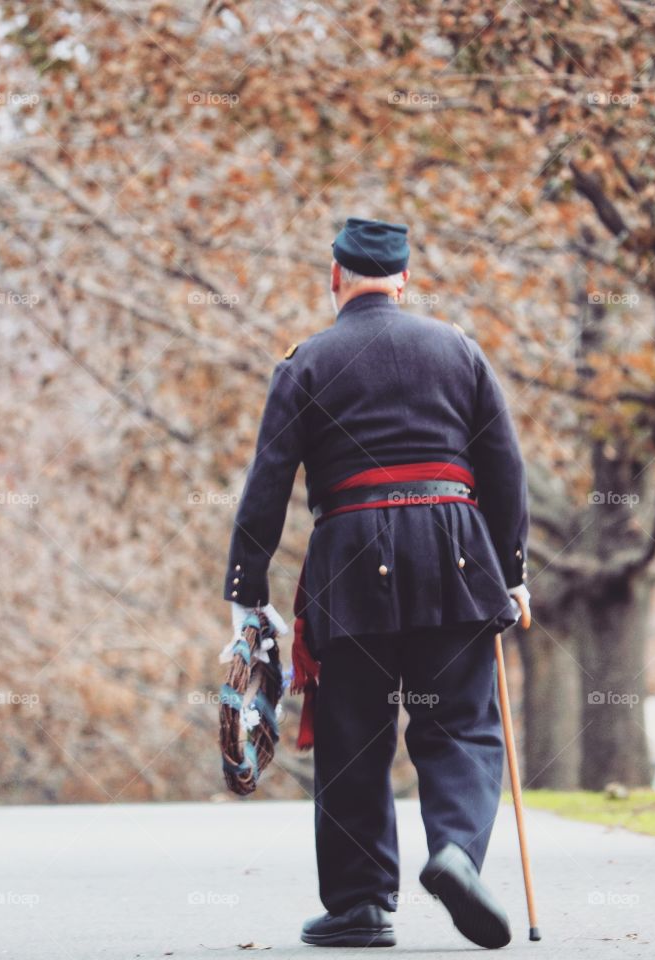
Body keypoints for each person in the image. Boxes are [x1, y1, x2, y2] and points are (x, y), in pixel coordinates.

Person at [223, 217, 530, 948]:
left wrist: (247, 593)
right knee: (460, 724)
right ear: (405, 279)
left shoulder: (305, 362)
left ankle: (360, 905)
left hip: (350, 561)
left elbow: (266, 485)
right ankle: (456, 851)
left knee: (353, 735)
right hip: (456, 553)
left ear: (335, 277)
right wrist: (512, 573)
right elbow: (505, 469)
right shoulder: (457, 348)